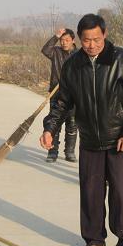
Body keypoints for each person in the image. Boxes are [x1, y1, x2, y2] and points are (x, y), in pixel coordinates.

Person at [41, 14, 123, 246]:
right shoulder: (73, 65)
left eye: (96, 39)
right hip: (89, 141)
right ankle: (95, 242)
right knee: (91, 192)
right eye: (86, 40)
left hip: (119, 140)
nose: (91, 45)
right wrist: (49, 129)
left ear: (105, 34)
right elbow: (62, 102)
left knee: (121, 193)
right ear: (79, 38)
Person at [41, 28, 78, 163]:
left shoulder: (79, 55)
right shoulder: (55, 52)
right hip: (56, 93)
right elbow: (45, 50)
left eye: (67, 40)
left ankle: (69, 152)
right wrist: (55, 36)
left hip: (74, 95)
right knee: (53, 123)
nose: (64, 43)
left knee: (72, 124)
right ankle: (52, 152)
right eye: (62, 40)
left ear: (73, 41)